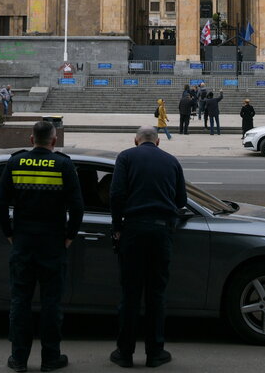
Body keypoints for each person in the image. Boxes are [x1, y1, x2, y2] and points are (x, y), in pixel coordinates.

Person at [0, 120, 83, 373]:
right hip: (53, 244)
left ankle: (19, 359)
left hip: (23, 242)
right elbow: (77, 207)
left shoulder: (15, 162)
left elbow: (0, 203)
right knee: (52, 303)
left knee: (20, 301)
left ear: (31, 140)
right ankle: (50, 358)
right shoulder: (64, 165)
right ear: (54, 141)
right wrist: (70, 236)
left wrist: (9, 233)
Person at [110, 126, 186, 369]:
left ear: (136, 140)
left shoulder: (125, 157)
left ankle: (124, 353)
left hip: (133, 230)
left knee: (130, 294)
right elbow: (181, 201)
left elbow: (116, 194)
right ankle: (155, 353)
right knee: (156, 294)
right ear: (158, 141)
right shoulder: (172, 162)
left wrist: (117, 226)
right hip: (161, 232)